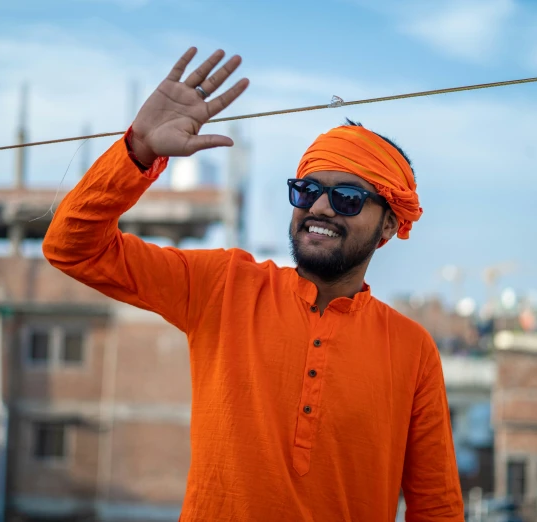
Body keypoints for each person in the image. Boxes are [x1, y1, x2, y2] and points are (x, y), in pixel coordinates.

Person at [43, 47, 464, 521]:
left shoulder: (412, 350)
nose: (320, 208)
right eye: (307, 190)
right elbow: (72, 247)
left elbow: (437, 506)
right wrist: (138, 150)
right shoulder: (224, 287)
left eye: (347, 198)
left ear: (388, 225)